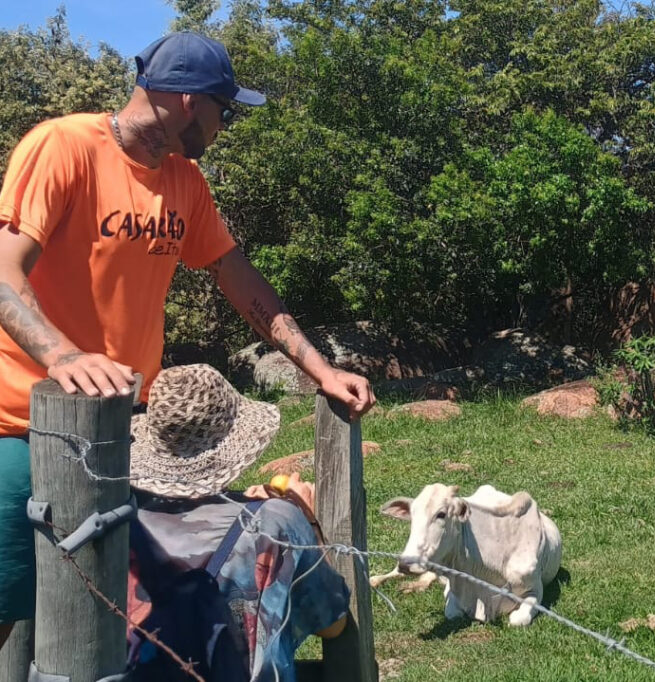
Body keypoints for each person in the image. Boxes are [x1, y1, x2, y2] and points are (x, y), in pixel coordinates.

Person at [0, 31, 375, 650]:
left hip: (124, 431)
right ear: (187, 101)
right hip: (21, 426)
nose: (225, 126)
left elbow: (237, 277)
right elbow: (5, 271)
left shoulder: (185, 182)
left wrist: (319, 369)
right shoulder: (63, 146)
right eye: (224, 111)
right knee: (15, 609)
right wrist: (63, 356)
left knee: (110, 615)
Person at [125, 364, 349, 681]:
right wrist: (305, 518)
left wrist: (246, 502)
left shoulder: (125, 519)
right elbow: (333, 624)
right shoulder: (275, 520)